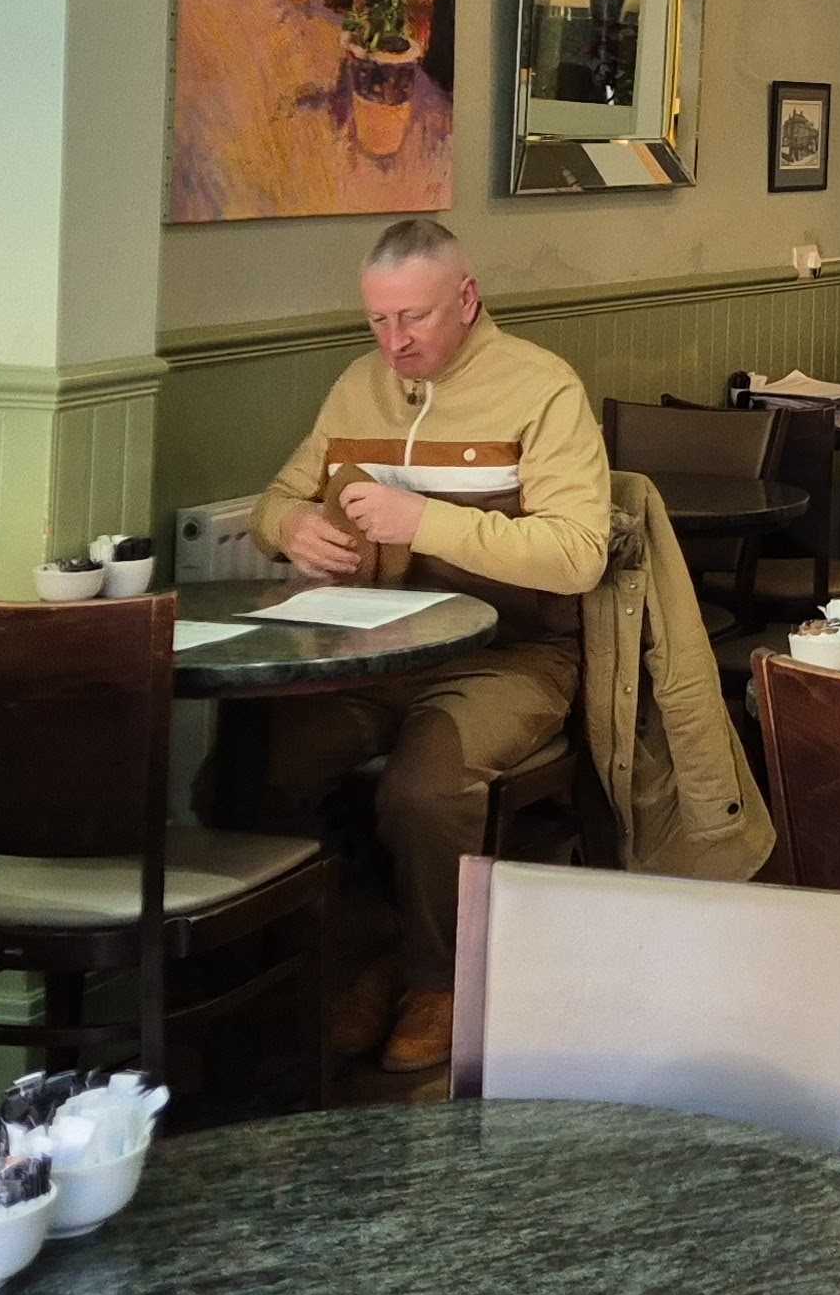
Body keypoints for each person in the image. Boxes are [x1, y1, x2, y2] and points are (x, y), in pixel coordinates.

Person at [248, 218, 622, 1075]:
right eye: (378, 321)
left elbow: (578, 555)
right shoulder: (357, 386)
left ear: (468, 299)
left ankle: (438, 979)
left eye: (413, 317)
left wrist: (425, 521)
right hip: (375, 647)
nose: (395, 342)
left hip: (514, 655)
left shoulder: (542, 388)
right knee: (264, 763)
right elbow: (277, 499)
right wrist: (291, 527)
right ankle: (363, 953)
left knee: (424, 788)